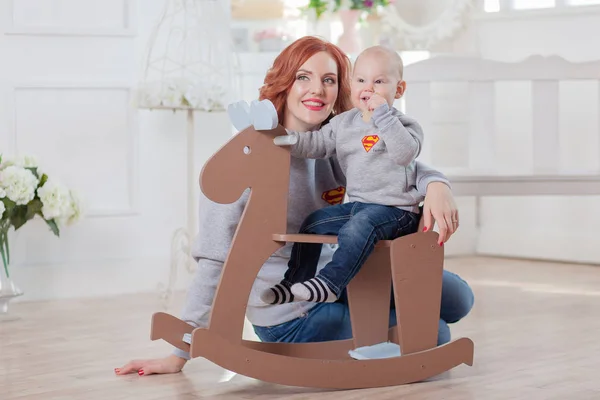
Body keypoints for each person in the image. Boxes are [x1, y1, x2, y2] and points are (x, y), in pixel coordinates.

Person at [115, 36, 473, 377]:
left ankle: (372, 312)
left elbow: (390, 166)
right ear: (285, 82)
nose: (317, 89)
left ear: (340, 91)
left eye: (329, 80)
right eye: (304, 77)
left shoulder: (340, 140)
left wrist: (436, 183)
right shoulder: (249, 154)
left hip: (346, 275)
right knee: (435, 332)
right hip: (293, 312)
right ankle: (370, 319)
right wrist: (179, 353)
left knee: (458, 297)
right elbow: (214, 259)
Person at [261, 45, 425, 305]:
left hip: (396, 211)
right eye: (361, 80)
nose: (368, 88)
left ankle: (330, 283)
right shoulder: (344, 123)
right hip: (360, 206)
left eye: (379, 81)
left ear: (399, 89)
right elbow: (317, 144)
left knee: (360, 226)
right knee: (313, 222)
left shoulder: (403, 124)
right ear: (351, 85)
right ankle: (294, 282)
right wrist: (288, 139)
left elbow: (404, 154)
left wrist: (382, 115)